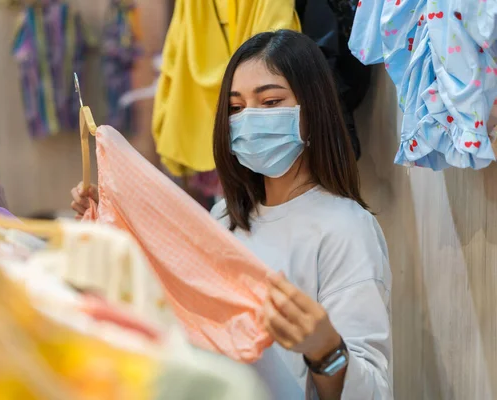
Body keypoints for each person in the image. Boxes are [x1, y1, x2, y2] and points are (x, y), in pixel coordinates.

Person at [71, 30, 392, 400]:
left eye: (270, 102)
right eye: (236, 108)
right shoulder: (224, 215)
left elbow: (374, 391)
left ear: (313, 109)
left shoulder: (345, 229)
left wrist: (326, 351)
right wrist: (109, 223)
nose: (249, 120)